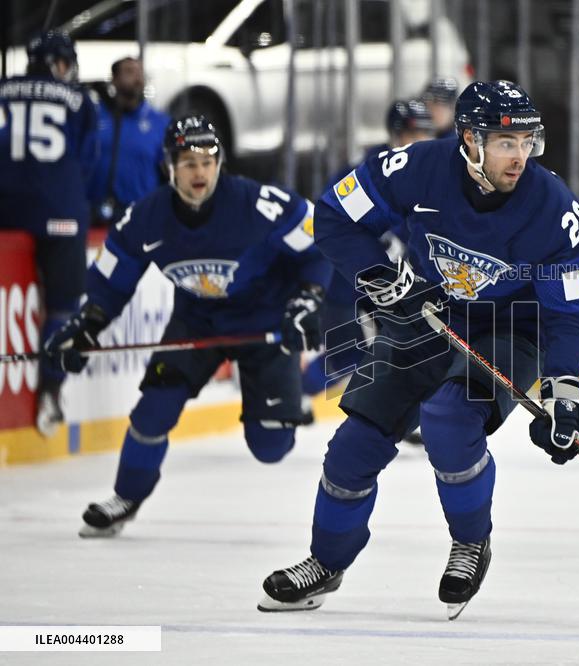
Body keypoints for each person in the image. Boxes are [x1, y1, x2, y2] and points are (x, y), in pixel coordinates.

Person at [257, 80, 579, 619]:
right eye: (505, 143)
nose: (520, 157)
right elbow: (333, 213)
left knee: (449, 416)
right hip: (427, 313)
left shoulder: (555, 210)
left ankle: (470, 541)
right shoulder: (413, 168)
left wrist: (564, 391)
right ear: (469, 139)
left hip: (512, 328)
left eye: (527, 142)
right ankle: (326, 561)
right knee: (352, 446)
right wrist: (380, 277)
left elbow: (572, 311)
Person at [42, 115, 332, 537]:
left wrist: (308, 298)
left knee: (271, 446)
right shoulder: (146, 218)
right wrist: (86, 325)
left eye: (207, 160)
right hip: (196, 322)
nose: (199, 171)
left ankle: (274, 409)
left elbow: (316, 245)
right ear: (169, 165)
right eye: (188, 162)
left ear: (220, 163)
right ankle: (126, 497)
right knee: (151, 413)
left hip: (265, 323)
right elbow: (112, 280)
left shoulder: (257, 205)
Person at [301, 99, 436, 423]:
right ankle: (301, 389)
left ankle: (410, 414)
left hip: (395, 277)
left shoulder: (433, 172)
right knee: (348, 355)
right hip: (348, 278)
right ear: (395, 133)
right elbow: (330, 216)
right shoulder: (370, 169)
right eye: (414, 132)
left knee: (411, 344)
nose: (421, 140)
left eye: (426, 132)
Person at [0, 30, 100, 437]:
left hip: (5, 210)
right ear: (60, 63)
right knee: (64, 308)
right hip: (61, 213)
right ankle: (51, 392)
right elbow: (89, 164)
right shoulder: (80, 102)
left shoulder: (3, 90)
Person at [87, 56, 171, 226]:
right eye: (129, 72)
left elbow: (170, 172)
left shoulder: (159, 122)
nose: (137, 78)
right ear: (114, 80)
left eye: (140, 72)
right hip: (95, 216)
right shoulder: (94, 117)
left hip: (141, 217)